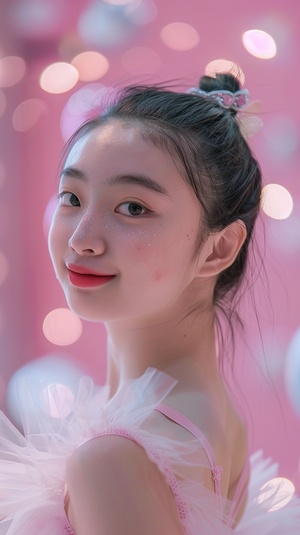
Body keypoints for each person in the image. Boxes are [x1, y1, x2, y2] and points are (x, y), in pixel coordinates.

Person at [0, 72, 299, 535]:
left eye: (133, 208)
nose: (81, 240)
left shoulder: (113, 462)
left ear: (218, 249)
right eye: (72, 197)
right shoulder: (207, 418)